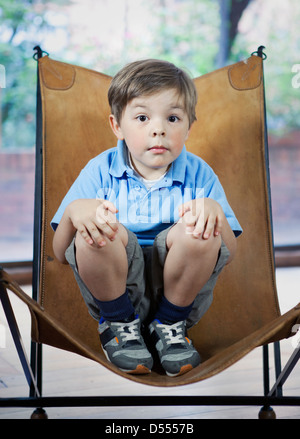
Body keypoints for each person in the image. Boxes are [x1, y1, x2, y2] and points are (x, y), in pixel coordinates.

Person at [51, 59, 242, 377]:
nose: (159, 129)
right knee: (99, 227)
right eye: (142, 117)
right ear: (117, 126)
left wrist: (216, 215)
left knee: (200, 227)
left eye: (172, 118)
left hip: (179, 297)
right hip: (114, 293)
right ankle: (120, 325)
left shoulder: (198, 174)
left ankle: (168, 326)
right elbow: (59, 254)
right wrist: (73, 212)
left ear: (189, 127)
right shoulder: (100, 172)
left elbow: (229, 254)